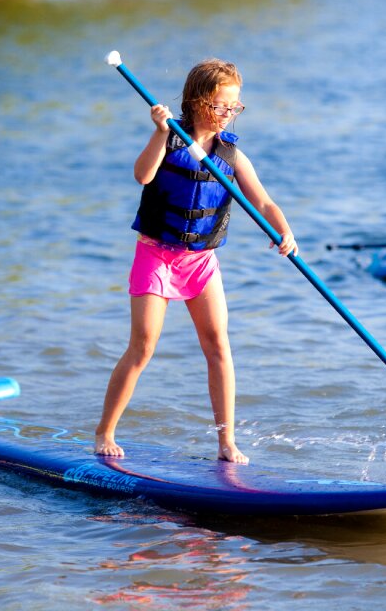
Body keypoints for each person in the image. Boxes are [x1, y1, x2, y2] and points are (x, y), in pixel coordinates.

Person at [95, 58, 298, 465]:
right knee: (143, 345)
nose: (229, 114)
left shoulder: (232, 155)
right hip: (156, 254)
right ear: (198, 102)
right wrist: (158, 132)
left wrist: (284, 230)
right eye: (222, 106)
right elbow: (142, 175)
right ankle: (105, 432)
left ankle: (226, 442)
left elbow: (263, 201)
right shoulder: (169, 138)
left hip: (201, 261)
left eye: (235, 107)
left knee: (219, 345)